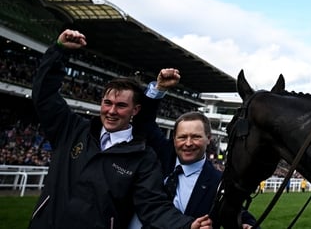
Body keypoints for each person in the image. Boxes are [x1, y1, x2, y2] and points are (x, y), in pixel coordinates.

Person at [29, 29, 211, 229]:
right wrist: (59, 51)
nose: (112, 111)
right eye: (107, 103)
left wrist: (187, 225)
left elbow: (153, 206)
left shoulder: (143, 157)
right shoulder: (72, 129)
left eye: (121, 105)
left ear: (136, 110)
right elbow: (44, 95)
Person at [131, 69, 258, 229]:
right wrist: (159, 88)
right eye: (182, 137)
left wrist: (248, 226)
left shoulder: (219, 183)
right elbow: (143, 120)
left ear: (208, 139)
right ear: (174, 138)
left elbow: (240, 215)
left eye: (196, 137)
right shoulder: (161, 154)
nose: (188, 143)